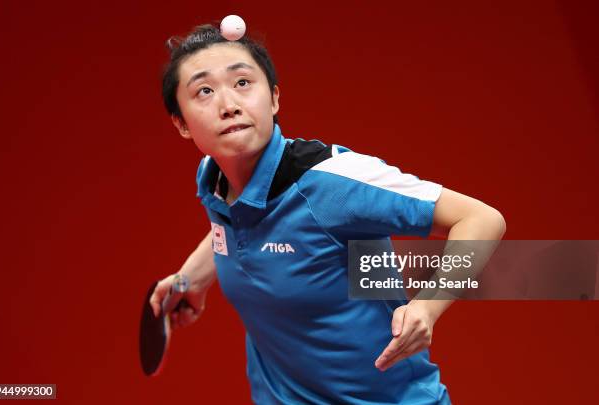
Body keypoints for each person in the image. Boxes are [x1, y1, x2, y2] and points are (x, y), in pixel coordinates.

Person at [150, 23, 506, 404]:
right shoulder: (215, 178)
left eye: (242, 83)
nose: (229, 105)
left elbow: (483, 220)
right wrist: (191, 278)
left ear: (273, 98)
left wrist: (427, 307)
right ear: (182, 124)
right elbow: (237, 225)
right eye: (204, 91)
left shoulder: (333, 184)